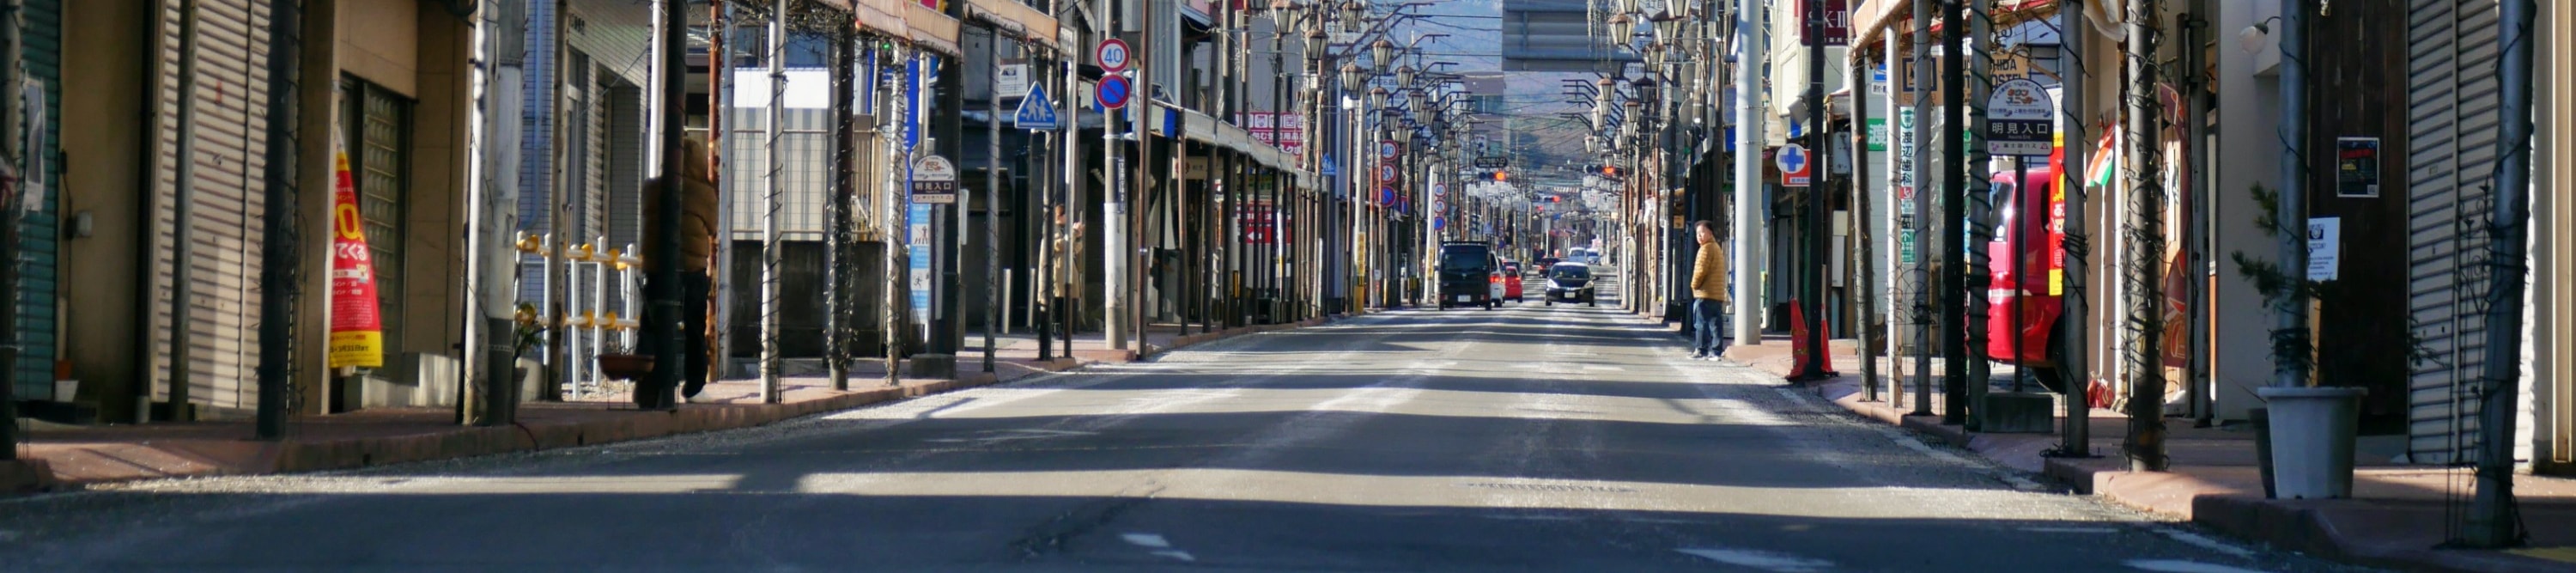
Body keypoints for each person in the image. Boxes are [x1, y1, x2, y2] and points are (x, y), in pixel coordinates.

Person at [641, 139, 720, 404]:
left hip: (657, 268)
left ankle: (647, 384)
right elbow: (712, 228)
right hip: (691, 269)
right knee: (694, 329)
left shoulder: (652, 189)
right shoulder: (704, 193)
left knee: (651, 325)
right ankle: (694, 387)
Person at [1688, 220, 1734, 363]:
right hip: (1716, 293)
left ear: (1710, 233)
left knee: (1700, 323)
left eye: (1702, 232)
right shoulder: (1716, 247)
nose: (1699, 236)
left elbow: (1700, 271)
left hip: (1705, 292)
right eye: (1697, 233)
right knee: (1715, 324)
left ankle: (1701, 350)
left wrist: (1694, 285)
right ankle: (1716, 352)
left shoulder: (1705, 249)